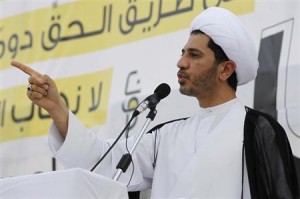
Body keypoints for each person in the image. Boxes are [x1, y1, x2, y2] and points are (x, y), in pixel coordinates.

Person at [12, 7, 298, 199]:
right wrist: (57, 109)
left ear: (225, 70)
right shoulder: (167, 136)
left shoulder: (256, 130)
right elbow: (106, 163)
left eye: (195, 56)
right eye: (182, 52)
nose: (181, 62)